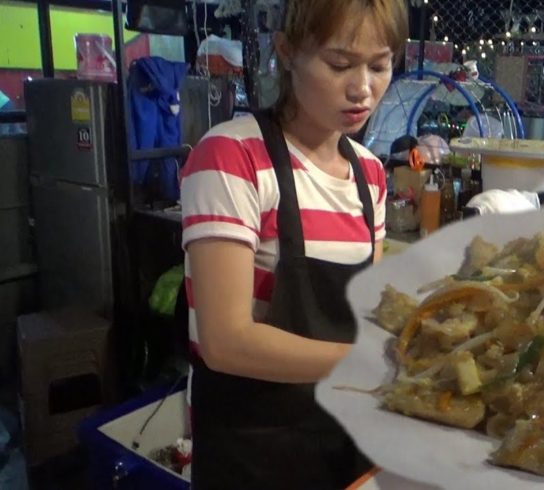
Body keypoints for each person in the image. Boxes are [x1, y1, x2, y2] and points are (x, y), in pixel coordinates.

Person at [180, 1, 408, 488]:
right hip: (253, 449)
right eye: (339, 63)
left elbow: (368, 313)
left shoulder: (369, 174)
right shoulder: (231, 156)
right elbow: (226, 342)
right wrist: (372, 363)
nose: (362, 88)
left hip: (343, 438)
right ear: (287, 52)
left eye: (380, 65)